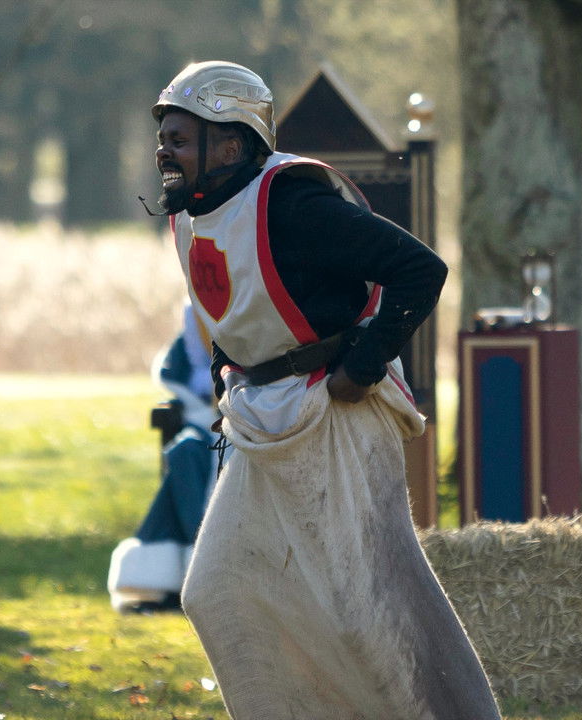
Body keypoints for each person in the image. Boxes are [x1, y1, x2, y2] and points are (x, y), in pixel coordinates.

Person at [148, 61, 500, 718]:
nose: (165, 150)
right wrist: (233, 375)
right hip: (261, 422)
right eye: (164, 136)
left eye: (181, 136)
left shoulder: (295, 204)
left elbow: (419, 270)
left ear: (231, 142)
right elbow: (232, 308)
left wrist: (358, 371)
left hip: (337, 417)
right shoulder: (196, 211)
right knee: (217, 590)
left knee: (365, 616)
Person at [108, 306, 221, 613]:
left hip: (248, 423)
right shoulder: (195, 319)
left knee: (191, 458)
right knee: (185, 452)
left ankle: (187, 580)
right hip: (202, 424)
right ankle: (185, 577)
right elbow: (184, 379)